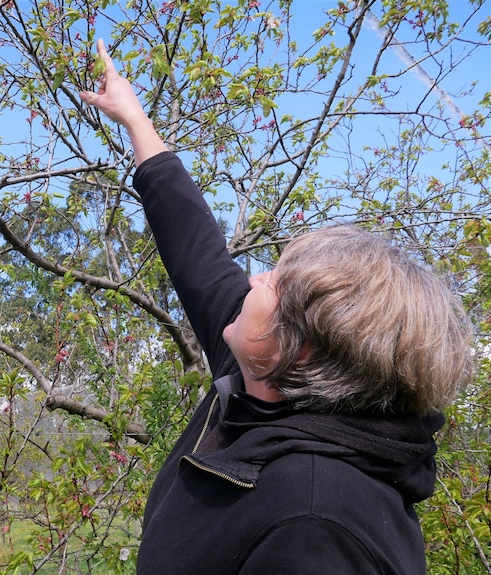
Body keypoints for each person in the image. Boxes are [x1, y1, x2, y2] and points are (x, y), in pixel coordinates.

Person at [79, 39, 474, 574]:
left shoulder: (315, 524)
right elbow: (197, 252)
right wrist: (135, 119)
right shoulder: (259, 381)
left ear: (305, 349)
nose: (256, 278)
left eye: (279, 283)